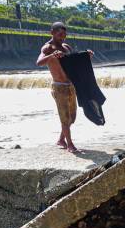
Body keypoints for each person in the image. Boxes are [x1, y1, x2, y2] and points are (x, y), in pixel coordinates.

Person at [35, 22, 93, 152]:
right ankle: (70, 145)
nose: (63, 37)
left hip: (71, 85)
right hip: (59, 87)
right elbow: (39, 62)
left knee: (72, 117)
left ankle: (61, 139)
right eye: (60, 34)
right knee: (64, 118)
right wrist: (52, 56)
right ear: (52, 33)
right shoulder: (47, 48)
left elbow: (75, 62)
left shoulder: (66, 47)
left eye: (64, 34)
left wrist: (86, 56)